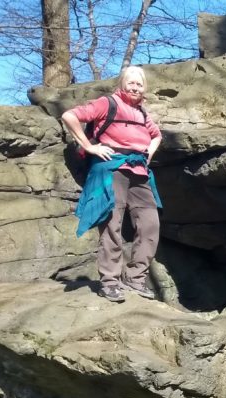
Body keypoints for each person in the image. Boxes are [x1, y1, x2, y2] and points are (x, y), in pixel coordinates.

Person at [62, 65, 163, 302]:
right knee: (111, 224)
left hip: (139, 171)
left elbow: (157, 135)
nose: (135, 87)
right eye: (131, 82)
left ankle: (136, 278)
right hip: (111, 168)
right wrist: (89, 146)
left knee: (150, 225)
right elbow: (70, 116)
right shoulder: (108, 103)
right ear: (122, 84)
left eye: (139, 83)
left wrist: (148, 153)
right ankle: (109, 281)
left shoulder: (142, 113)